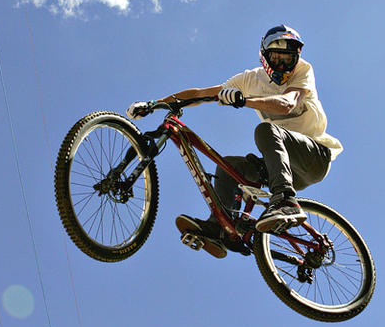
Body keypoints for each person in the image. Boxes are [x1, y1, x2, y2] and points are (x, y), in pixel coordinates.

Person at [127, 25, 342, 259]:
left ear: (296, 59)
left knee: (266, 131)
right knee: (229, 166)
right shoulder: (250, 79)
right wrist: (154, 104)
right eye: (276, 59)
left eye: (287, 60)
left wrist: (244, 100)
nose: (282, 66)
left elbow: (287, 103)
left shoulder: (303, 71)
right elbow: (201, 94)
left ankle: (286, 201)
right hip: (283, 166)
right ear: (264, 56)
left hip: (314, 157)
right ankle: (220, 228)